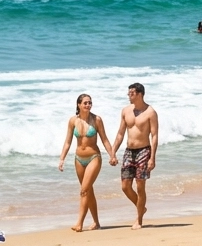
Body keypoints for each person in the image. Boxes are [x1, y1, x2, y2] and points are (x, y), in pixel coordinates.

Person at [59, 93, 115, 232]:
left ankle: (79, 223)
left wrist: (112, 155)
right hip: (78, 159)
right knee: (88, 191)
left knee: (84, 190)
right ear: (78, 105)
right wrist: (62, 159)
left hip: (93, 158)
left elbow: (104, 139)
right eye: (85, 103)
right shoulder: (73, 121)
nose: (88, 105)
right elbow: (68, 142)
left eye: (90, 102)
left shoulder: (96, 120)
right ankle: (96, 222)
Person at [113, 83, 158, 229]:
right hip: (129, 151)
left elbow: (155, 135)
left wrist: (152, 158)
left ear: (140, 94)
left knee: (140, 186)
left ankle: (139, 219)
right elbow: (120, 133)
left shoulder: (150, 112)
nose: (129, 95)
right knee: (125, 186)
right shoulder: (126, 111)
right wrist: (113, 152)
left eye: (131, 93)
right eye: (128, 92)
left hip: (144, 151)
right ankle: (141, 207)